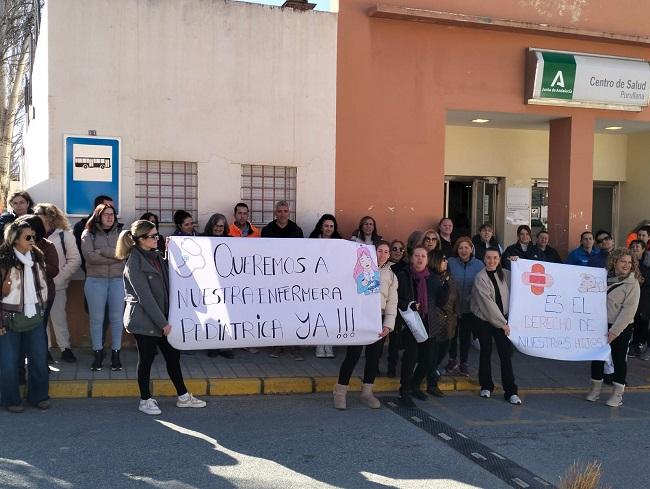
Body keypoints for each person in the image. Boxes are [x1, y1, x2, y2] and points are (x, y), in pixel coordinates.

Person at [116, 220, 206, 415]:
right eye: (152, 236)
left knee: (173, 357)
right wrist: (163, 323)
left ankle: (183, 396)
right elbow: (145, 297)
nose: (157, 238)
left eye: (157, 234)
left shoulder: (157, 256)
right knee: (146, 360)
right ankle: (145, 399)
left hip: (163, 317)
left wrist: (170, 254)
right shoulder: (134, 262)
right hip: (144, 320)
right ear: (140, 239)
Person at [333, 241, 397, 409]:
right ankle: (340, 392)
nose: (382, 254)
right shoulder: (360, 268)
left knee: (373, 358)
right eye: (379, 251)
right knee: (352, 356)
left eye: (385, 251)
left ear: (389, 255)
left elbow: (392, 302)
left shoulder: (391, 275)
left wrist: (388, 325)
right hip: (360, 318)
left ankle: (367, 392)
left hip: (378, 319)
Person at [0, 220, 50, 412]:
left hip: (34, 314)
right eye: (27, 237)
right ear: (14, 239)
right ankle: (11, 400)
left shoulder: (37, 255)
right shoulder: (3, 259)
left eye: (33, 236)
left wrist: (43, 305)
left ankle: (39, 397)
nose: (32, 240)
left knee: (38, 358)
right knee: (8, 362)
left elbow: (43, 283)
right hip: (8, 317)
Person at [395, 245, 450, 407]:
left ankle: (415, 385)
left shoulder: (432, 278)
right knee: (410, 358)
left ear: (427, 260)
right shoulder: (404, 276)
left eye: (423, 256)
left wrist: (445, 284)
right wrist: (410, 304)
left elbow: (440, 302)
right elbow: (396, 299)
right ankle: (404, 392)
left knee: (428, 360)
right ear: (411, 258)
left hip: (427, 323)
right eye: (417, 256)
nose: (419, 259)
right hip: (410, 323)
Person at [586, 248, 641, 407]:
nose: (627, 265)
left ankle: (618, 394)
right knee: (596, 358)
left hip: (621, 327)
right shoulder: (600, 277)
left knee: (618, 360)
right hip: (599, 325)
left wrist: (614, 332)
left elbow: (628, 311)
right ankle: (595, 389)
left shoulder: (633, 284)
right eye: (623, 261)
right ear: (614, 261)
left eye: (630, 262)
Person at [470, 248, 522, 405]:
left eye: (495, 258)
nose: (491, 261)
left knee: (505, 355)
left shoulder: (505, 274)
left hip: (503, 321)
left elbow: (521, 281)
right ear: (484, 259)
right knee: (485, 352)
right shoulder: (480, 278)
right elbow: (488, 305)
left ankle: (511, 391)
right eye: (488, 258)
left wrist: (517, 264)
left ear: (499, 259)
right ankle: (486, 386)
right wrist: (503, 324)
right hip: (485, 320)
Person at [34, 203, 81, 363]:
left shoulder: (65, 235)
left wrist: (58, 279)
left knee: (58, 317)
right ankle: (44, 350)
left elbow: (75, 260)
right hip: (35, 288)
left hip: (57, 286)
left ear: (50, 217)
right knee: (40, 321)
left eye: (40, 216)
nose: (37, 219)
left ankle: (65, 348)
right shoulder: (32, 235)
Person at [80, 204, 125, 371]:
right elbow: (90, 258)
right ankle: (97, 354)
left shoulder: (121, 233)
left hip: (117, 281)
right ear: (98, 216)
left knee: (116, 319)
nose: (110, 217)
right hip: (95, 281)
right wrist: (114, 256)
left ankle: (116, 354)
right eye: (106, 214)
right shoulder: (88, 233)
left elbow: (124, 255)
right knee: (97, 320)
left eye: (112, 214)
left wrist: (102, 251)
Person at [262, 201, 304, 359]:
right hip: (273, 277)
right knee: (276, 312)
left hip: (292, 277)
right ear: (275, 212)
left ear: (289, 212)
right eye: (279, 211)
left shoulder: (296, 230)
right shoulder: (267, 230)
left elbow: (301, 252)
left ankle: (295, 345)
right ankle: (277, 345)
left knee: (294, 312)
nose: (282, 214)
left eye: (285, 211)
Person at [17, 215, 59, 365]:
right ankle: (21, 368)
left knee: (39, 330)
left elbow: (54, 270)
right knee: (19, 333)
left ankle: (41, 365)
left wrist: (34, 265)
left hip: (43, 296)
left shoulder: (47, 245)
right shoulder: (12, 247)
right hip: (19, 297)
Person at [446, 237, 484, 376]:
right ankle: (452, 359)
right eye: (461, 248)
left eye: (466, 248)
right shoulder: (450, 262)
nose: (463, 250)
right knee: (452, 335)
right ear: (457, 249)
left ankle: (464, 362)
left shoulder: (479, 264)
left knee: (465, 336)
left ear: (471, 249)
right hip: (452, 307)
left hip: (470, 307)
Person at [201, 213, 235, 359]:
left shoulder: (232, 241)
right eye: (216, 225)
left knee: (227, 317)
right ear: (211, 226)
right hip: (208, 284)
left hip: (226, 284)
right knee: (212, 317)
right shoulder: (201, 239)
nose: (219, 229)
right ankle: (212, 346)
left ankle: (225, 347)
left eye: (221, 226)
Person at [309, 213, 343, 357]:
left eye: (331, 226)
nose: (329, 228)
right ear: (321, 227)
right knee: (318, 315)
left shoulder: (340, 243)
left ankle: (328, 346)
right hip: (316, 283)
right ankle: (319, 345)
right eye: (326, 226)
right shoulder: (312, 241)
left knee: (330, 315)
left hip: (333, 284)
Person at [425, 249, 458, 396]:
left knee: (444, 349)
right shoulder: (431, 278)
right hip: (435, 320)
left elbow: (455, 296)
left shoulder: (448, 278)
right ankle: (431, 383)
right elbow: (438, 300)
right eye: (443, 259)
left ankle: (431, 373)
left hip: (449, 319)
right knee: (432, 353)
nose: (446, 261)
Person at [73, 195, 115, 269]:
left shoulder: (117, 228)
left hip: (115, 275)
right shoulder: (81, 227)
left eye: (112, 207)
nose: (111, 209)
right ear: (98, 208)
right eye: (107, 206)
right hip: (93, 274)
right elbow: (82, 255)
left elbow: (122, 254)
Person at [629, 240, 650, 358]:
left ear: (643, 249)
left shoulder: (647, 263)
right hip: (631, 296)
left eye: (638, 247)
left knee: (643, 321)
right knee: (634, 320)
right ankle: (634, 344)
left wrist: (640, 280)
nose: (635, 248)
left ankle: (641, 344)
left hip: (645, 296)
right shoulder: (628, 261)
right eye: (633, 247)